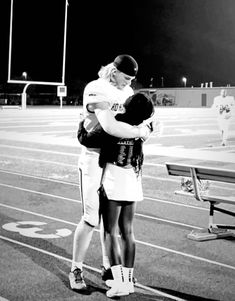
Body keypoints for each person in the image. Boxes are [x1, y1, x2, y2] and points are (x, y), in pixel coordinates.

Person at [69, 54, 152, 291]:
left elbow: (141, 119)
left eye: (132, 79)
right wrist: (142, 132)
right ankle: (76, 268)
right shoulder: (96, 88)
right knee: (91, 217)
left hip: (114, 162)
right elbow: (110, 126)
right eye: (125, 77)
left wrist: (145, 128)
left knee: (110, 222)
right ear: (114, 71)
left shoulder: (127, 93)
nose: (128, 83)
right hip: (94, 158)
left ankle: (110, 269)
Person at [96, 93, 155, 298]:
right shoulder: (144, 130)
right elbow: (149, 127)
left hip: (113, 180)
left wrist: (81, 122)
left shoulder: (114, 125)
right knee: (128, 232)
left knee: (110, 232)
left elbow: (87, 138)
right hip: (133, 180)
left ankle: (119, 282)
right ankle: (128, 281)